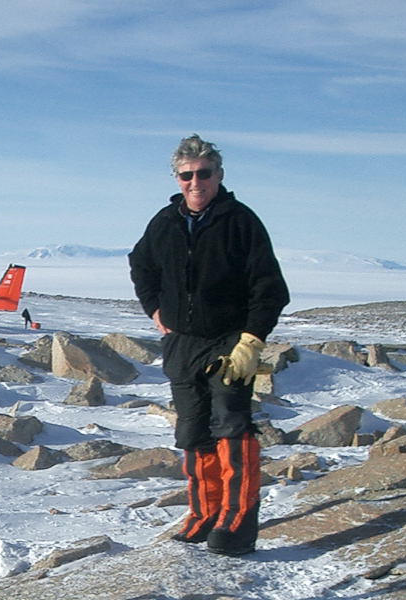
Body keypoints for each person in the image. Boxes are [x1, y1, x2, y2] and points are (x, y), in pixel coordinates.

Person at [129, 134, 289, 556]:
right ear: (177, 178)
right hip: (182, 345)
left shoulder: (241, 222)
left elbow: (270, 288)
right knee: (193, 431)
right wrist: (155, 310)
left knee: (231, 428)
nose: (195, 182)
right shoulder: (165, 222)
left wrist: (251, 340)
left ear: (219, 175)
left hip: (227, 344)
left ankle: (235, 523)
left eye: (204, 173)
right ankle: (204, 513)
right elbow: (140, 263)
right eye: (186, 175)